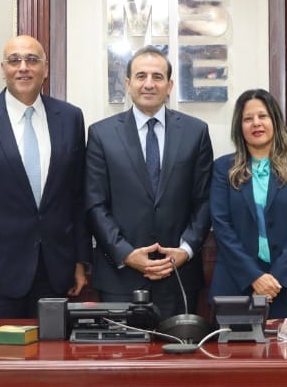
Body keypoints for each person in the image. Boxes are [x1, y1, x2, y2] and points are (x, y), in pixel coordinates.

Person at [0, 36, 88, 318]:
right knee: (0, 347)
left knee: (52, 347)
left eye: (32, 60)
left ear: (45, 69)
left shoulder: (70, 118)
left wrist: (81, 260)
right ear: (3, 69)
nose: (23, 67)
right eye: (14, 60)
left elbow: (77, 196)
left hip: (55, 273)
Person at [85, 47, 213, 319]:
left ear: (170, 86)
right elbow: (95, 204)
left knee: (178, 347)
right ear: (128, 83)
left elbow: (204, 200)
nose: (149, 84)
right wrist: (126, 253)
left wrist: (186, 250)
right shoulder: (101, 134)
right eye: (141, 76)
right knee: (125, 348)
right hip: (120, 279)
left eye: (157, 77)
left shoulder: (196, 132)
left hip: (178, 276)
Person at [209, 88, 287, 319]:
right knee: (237, 345)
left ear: (275, 121)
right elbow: (222, 226)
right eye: (247, 119)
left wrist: (276, 278)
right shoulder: (223, 168)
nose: (256, 123)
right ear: (239, 127)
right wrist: (254, 277)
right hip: (237, 287)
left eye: (263, 116)